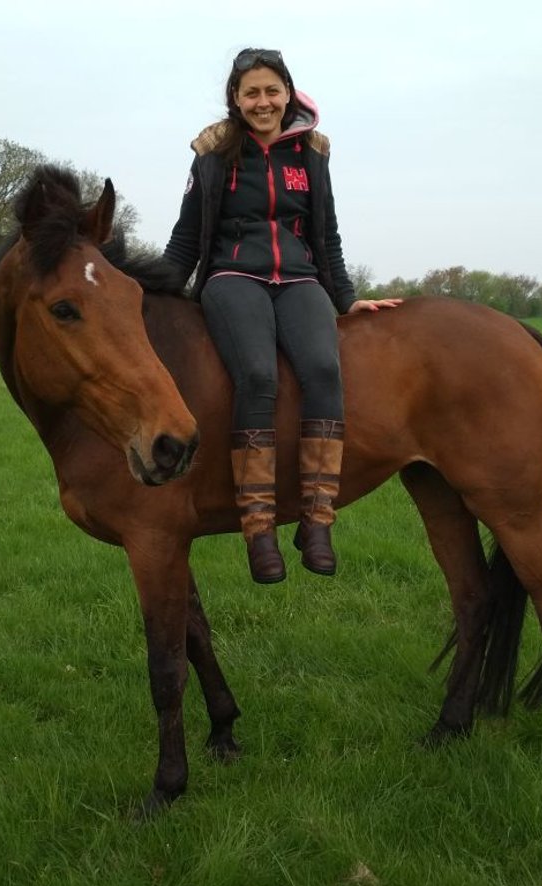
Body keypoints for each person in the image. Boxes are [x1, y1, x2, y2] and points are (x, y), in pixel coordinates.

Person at [163, 48, 401, 584]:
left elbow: (327, 235)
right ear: (236, 99)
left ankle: (317, 520)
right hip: (233, 278)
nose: (263, 101)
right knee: (257, 376)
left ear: (288, 94)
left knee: (322, 370)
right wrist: (151, 292)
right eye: (252, 93)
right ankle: (259, 527)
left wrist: (346, 298)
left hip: (300, 280)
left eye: (272, 91)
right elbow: (185, 239)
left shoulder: (312, 153)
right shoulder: (213, 153)